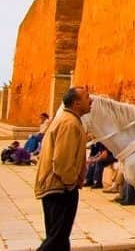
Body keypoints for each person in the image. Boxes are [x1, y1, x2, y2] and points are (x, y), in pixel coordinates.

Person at [34, 86, 92, 251]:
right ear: (76, 103)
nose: (91, 100)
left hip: (57, 187)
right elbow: (62, 162)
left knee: (60, 240)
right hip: (60, 188)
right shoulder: (69, 123)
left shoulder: (67, 119)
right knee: (56, 240)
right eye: (87, 97)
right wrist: (70, 183)